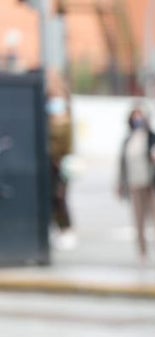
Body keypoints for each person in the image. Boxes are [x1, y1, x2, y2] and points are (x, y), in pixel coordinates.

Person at [118, 105, 155, 263]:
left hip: (151, 184)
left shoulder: (152, 137)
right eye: (135, 117)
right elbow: (122, 164)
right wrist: (120, 184)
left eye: (141, 117)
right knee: (139, 220)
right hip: (135, 184)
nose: (138, 120)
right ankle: (142, 251)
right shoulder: (128, 140)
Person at [45, 72, 74, 250]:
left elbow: (69, 146)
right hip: (48, 164)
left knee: (60, 197)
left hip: (60, 165)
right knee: (50, 198)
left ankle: (66, 229)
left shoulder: (66, 121)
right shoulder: (46, 118)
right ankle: (54, 228)